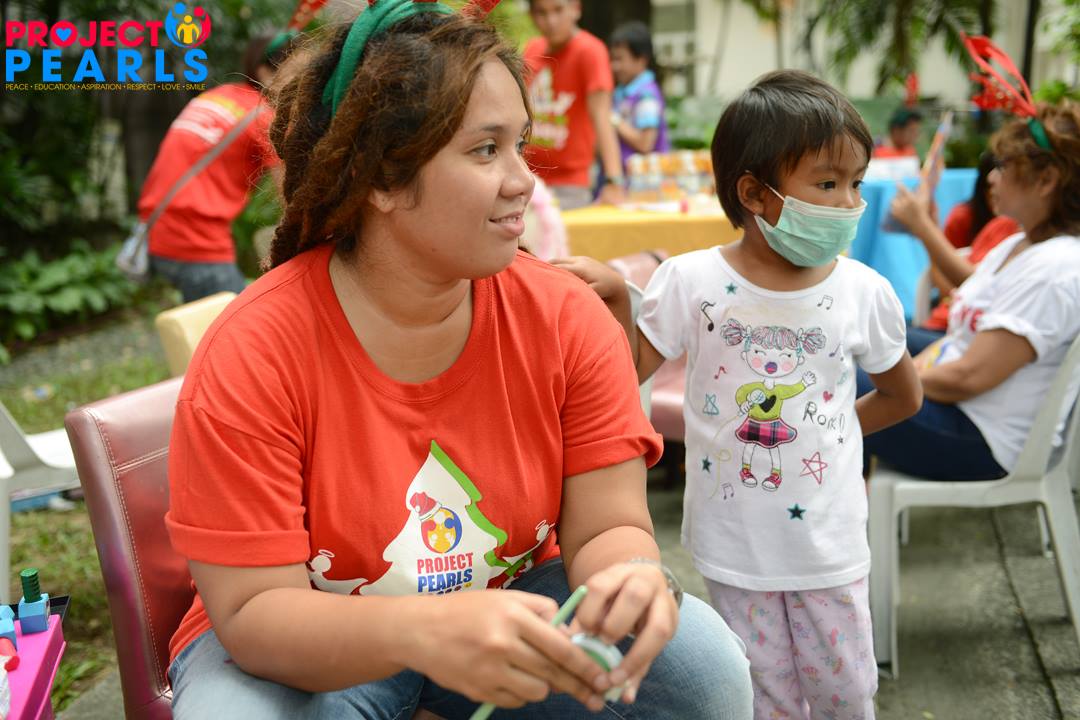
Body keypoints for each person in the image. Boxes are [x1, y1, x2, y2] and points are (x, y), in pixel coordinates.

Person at [163, 3, 753, 719]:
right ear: (382, 179)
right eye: (484, 150)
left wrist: (627, 577)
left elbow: (608, 526)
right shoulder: (255, 350)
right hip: (312, 635)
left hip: (511, 605)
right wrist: (427, 631)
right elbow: (256, 612)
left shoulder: (565, 317)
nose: (523, 179)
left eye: (520, 144)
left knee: (702, 673)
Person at [554, 70, 922, 719]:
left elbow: (903, 396)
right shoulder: (690, 281)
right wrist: (617, 301)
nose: (848, 204)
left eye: (856, 184)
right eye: (827, 184)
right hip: (734, 550)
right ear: (754, 192)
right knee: (764, 699)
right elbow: (621, 377)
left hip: (829, 548)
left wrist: (832, 434)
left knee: (845, 695)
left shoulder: (864, 291)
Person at [861, 101, 1080, 482]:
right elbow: (968, 311)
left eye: (1004, 167)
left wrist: (897, 379)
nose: (992, 178)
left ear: (1046, 181)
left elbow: (968, 378)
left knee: (839, 383)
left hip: (981, 438)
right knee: (860, 342)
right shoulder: (1020, 244)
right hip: (966, 407)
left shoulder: (1054, 271)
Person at [138, 32, 294, 303]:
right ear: (265, 74)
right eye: (297, 73)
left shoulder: (217, 96)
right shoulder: (263, 118)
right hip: (198, 243)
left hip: (155, 231)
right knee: (239, 325)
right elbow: (291, 197)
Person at [890, 151, 1021, 355]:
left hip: (956, 337)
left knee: (877, 344)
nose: (992, 178)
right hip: (945, 328)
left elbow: (973, 285)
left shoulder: (1028, 245)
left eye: (1002, 168)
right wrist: (928, 228)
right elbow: (949, 290)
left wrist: (924, 227)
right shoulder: (1000, 227)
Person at [524, 0, 625, 209]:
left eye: (558, 10)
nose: (551, 21)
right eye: (542, 13)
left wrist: (614, 180)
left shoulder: (590, 51)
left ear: (575, 9)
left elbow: (602, 117)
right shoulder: (532, 50)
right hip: (527, 179)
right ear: (532, 16)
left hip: (570, 185)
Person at [608, 20, 670, 170]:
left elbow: (645, 143)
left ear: (641, 60)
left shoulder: (646, 96)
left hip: (644, 181)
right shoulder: (621, 91)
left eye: (620, 59)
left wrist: (612, 118)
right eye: (612, 59)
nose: (614, 66)